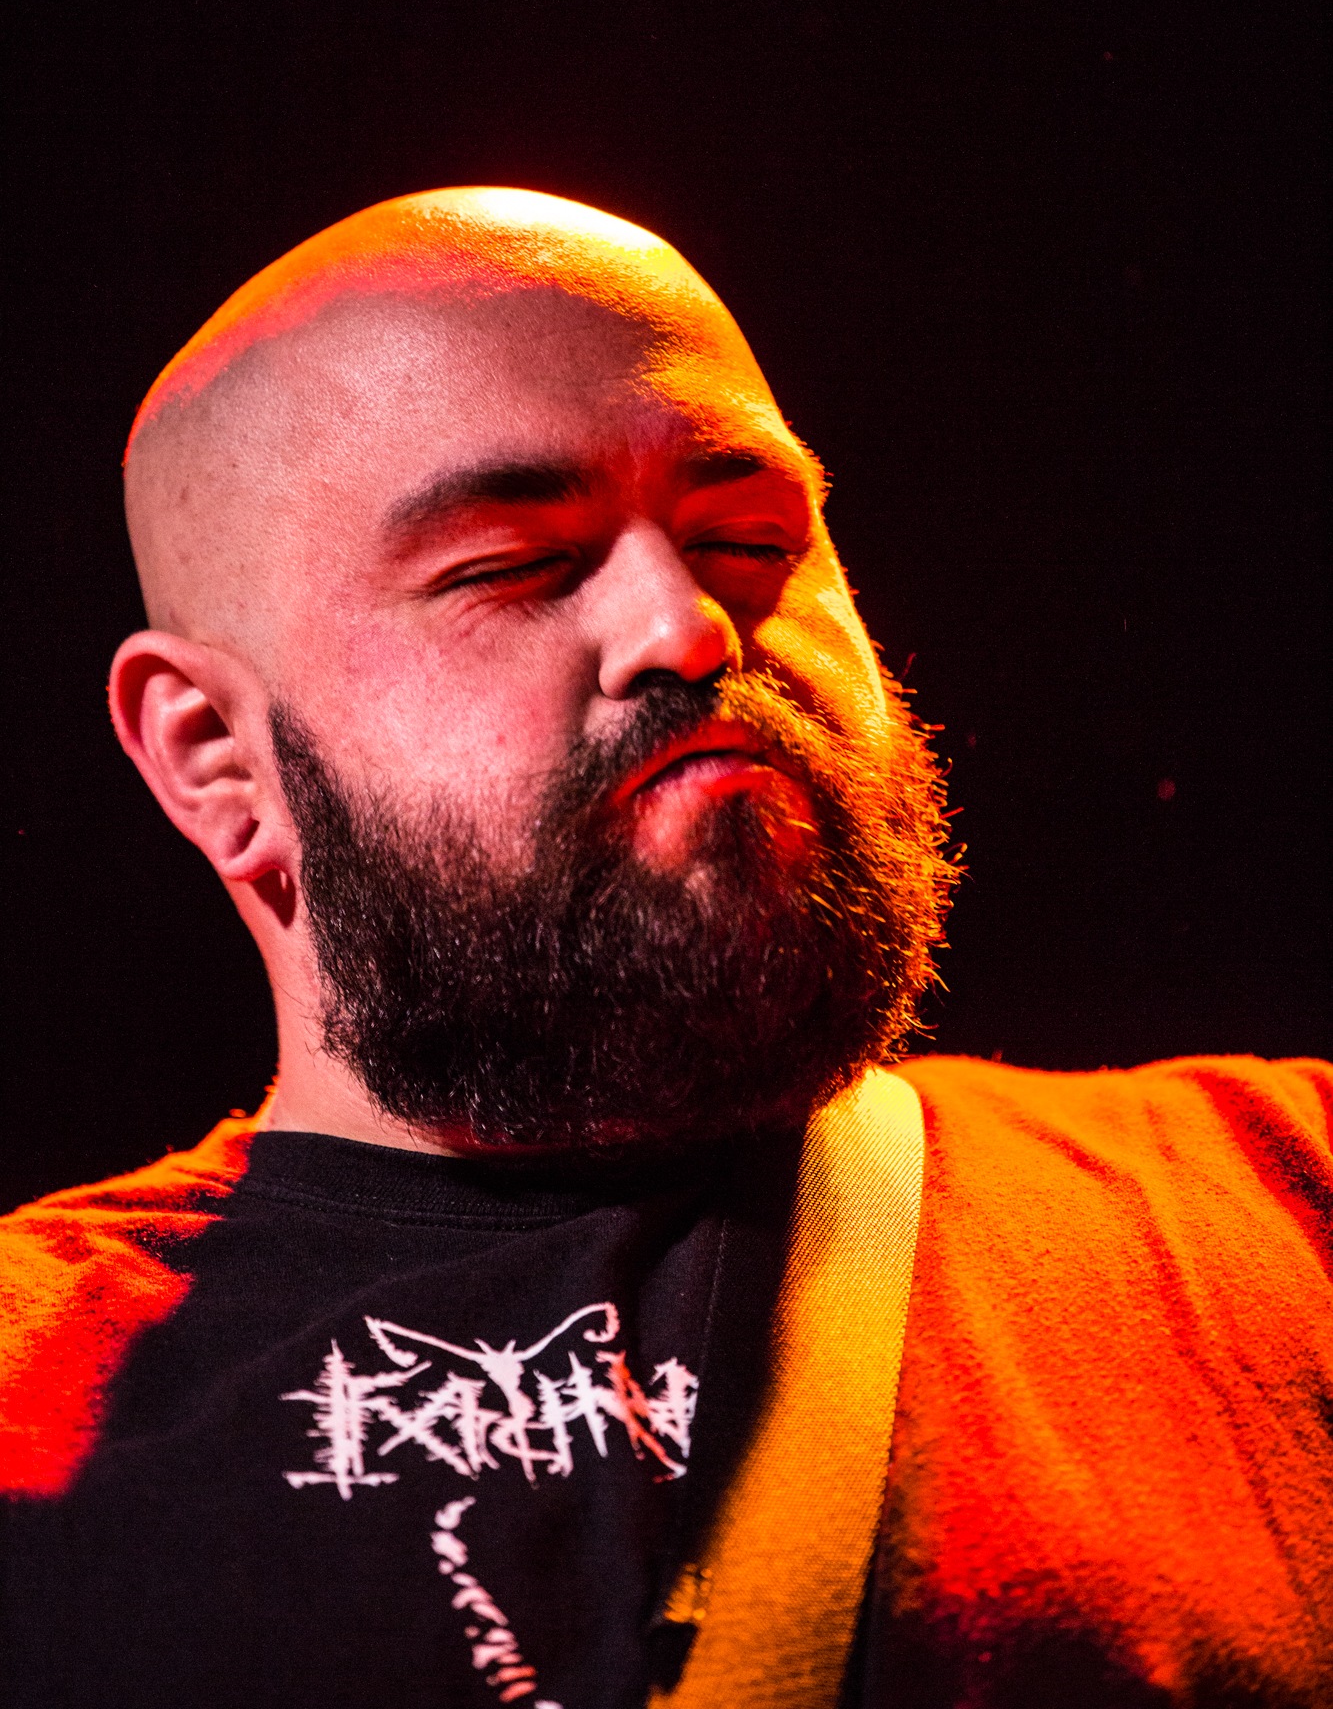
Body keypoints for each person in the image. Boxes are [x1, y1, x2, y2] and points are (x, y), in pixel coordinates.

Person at [1, 188, 1328, 1709]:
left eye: (750, 537)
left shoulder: (1289, 1198)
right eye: (514, 562)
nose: (689, 627)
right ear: (218, 758)